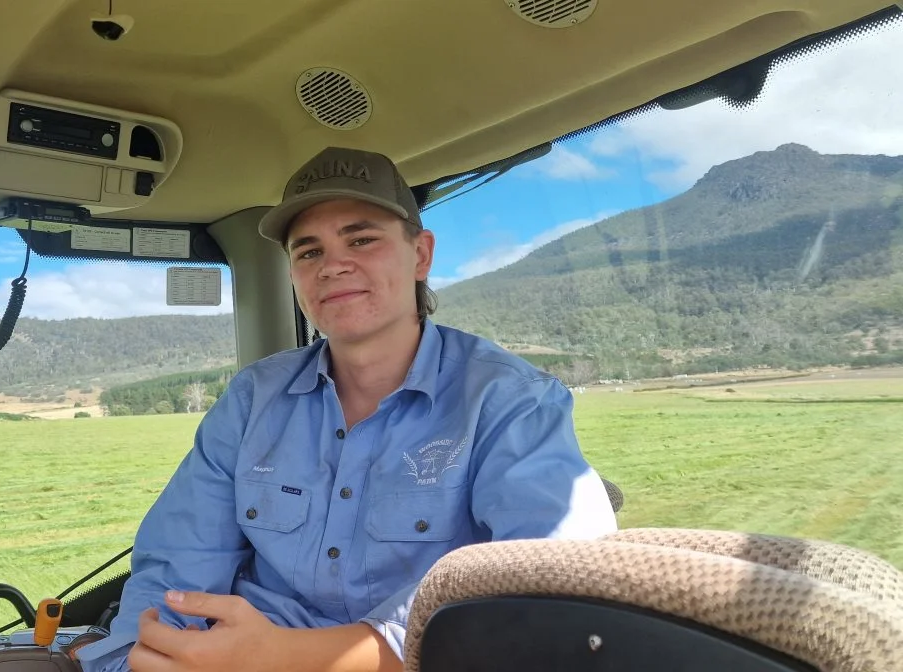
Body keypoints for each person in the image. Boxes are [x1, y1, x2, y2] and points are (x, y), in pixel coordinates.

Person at [73, 147, 618, 672]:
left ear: (421, 254)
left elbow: (551, 589)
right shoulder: (251, 400)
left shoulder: (508, 400)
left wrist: (284, 659)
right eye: (309, 252)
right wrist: (147, 655)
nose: (333, 266)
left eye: (362, 240)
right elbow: (177, 563)